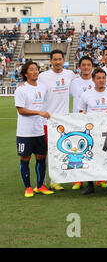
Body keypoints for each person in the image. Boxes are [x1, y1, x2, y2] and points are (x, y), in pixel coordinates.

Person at [38, 49, 76, 191]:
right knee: (47, 152)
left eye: (60, 59)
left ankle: (55, 180)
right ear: (51, 61)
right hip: (48, 121)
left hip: (64, 121)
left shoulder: (70, 74)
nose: (58, 62)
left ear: (64, 59)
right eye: (55, 59)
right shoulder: (43, 76)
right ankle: (42, 181)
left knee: (62, 151)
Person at [14, 61, 54, 198]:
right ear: (26, 73)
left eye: (36, 69)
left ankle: (40, 186)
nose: (35, 71)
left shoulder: (43, 87)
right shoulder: (21, 89)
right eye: (31, 69)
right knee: (25, 158)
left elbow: (48, 103)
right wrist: (39, 113)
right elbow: (21, 110)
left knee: (41, 158)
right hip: (25, 132)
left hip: (39, 130)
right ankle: (28, 187)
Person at [78, 68, 107, 195]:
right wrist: (84, 114)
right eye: (98, 78)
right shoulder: (86, 94)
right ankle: (90, 185)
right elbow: (81, 111)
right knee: (91, 158)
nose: (101, 80)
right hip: (92, 132)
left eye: (103, 78)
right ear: (93, 80)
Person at [69, 56, 95, 190]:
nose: (86, 67)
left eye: (88, 65)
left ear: (92, 67)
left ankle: (98, 177)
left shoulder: (96, 80)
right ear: (79, 67)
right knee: (78, 150)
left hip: (93, 121)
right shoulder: (74, 82)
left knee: (94, 149)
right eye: (83, 65)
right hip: (77, 120)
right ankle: (78, 179)